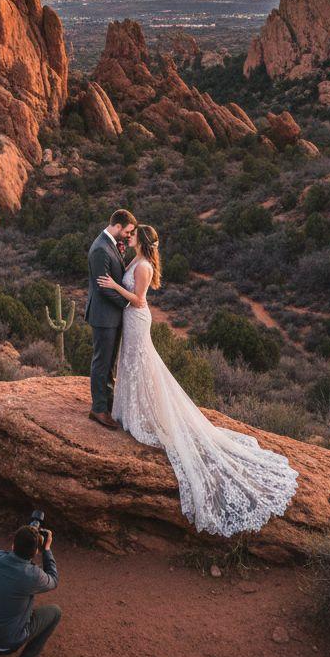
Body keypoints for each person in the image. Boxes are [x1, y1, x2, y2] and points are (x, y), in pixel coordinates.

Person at [98, 223, 299, 537]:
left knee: (141, 364)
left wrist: (113, 285)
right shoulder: (137, 259)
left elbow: (138, 300)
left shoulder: (145, 266)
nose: (129, 236)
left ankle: (147, 413)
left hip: (137, 318)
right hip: (130, 319)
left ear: (142, 241)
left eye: (133, 234)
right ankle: (134, 410)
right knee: (132, 364)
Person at [0, 524, 61, 657]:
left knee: (1, 599)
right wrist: (47, 549)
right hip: (7, 643)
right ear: (36, 551)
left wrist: (25, 536)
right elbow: (54, 580)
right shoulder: (33, 575)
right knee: (55, 612)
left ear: (13, 544)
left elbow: (12, 555)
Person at [84, 208, 137, 429]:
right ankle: (98, 409)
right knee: (101, 362)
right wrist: (128, 303)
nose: (129, 235)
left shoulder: (111, 244)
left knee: (109, 362)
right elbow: (103, 287)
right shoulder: (100, 249)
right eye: (127, 231)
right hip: (104, 316)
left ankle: (107, 403)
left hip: (111, 316)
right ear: (117, 226)